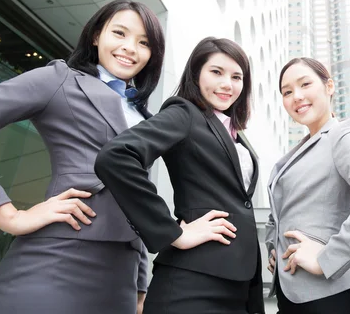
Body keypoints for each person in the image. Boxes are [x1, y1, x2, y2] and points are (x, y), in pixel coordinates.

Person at [0, 0, 166, 314]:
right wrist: (10, 216)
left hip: (122, 277)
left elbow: (138, 195)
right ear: (96, 36)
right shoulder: (59, 79)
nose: (130, 48)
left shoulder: (143, 115)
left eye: (144, 42)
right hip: (56, 262)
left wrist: (140, 284)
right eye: (119, 33)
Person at [94, 37, 264, 314]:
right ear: (196, 74)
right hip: (193, 281)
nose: (227, 84)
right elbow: (117, 157)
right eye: (216, 72)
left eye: (237, 77)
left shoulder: (234, 134)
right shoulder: (185, 113)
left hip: (239, 285)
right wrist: (172, 233)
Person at [264, 57, 350, 314]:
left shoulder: (342, 134)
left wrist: (328, 257)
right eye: (287, 91)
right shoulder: (294, 153)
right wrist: (275, 249)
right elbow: (280, 215)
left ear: (329, 87)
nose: (297, 96)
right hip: (292, 293)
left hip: (327, 298)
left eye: (305, 84)